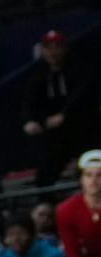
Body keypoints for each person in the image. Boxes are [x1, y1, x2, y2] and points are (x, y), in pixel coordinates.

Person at [19, 29, 90, 184]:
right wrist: (31, 120)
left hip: (85, 132)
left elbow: (82, 97)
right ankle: (45, 204)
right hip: (57, 138)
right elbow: (29, 103)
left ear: (64, 48)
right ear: (43, 51)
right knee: (44, 176)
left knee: (90, 172)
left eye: (57, 46)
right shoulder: (39, 77)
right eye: (48, 47)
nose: (53, 52)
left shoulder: (79, 70)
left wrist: (64, 115)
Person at [55, 150, 101, 257]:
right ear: (81, 178)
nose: (94, 181)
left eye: (99, 175)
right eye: (89, 175)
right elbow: (73, 254)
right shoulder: (66, 210)